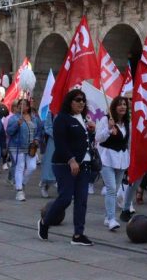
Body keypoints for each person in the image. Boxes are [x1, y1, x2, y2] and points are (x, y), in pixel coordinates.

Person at [38, 88, 95, 246]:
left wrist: (91, 131)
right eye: (77, 99)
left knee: (82, 200)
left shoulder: (84, 119)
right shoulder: (61, 119)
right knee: (65, 198)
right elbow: (61, 143)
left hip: (84, 164)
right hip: (64, 164)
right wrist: (71, 160)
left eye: (83, 100)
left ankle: (78, 234)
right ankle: (45, 222)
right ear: (69, 102)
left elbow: (84, 142)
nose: (81, 102)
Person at [97, 96, 130, 230]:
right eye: (119, 104)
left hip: (122, 160)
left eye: (124, 105)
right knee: (111, 189)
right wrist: (109, 129)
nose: (122, 107)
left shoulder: (127, 123)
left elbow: (128, 142)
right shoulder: (106, 120)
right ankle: (111, 219)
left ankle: (107, 216)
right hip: (107, 159)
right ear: (114, 107)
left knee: (115, 190)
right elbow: (98, 138)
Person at [7, 98, 39, 201]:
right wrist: (17, 124)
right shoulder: (13, 118)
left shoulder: (34, 118)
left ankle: (21, 183)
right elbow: (9, 132)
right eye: (19, 104)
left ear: (28, 107)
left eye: (24, 104)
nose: (21, 106)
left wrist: (37, 139)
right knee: (20, 166)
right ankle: (19, 191)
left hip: (31, 147)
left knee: (32, 167)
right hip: (17, 146)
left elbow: (38, 131)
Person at [38, 106, 56, 198]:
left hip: (66, 142)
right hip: (53, 142)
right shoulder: (52, 112)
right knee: (50, 164)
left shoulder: (70, 112)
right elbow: (48, 127)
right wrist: (57, 135)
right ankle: (45, 185)